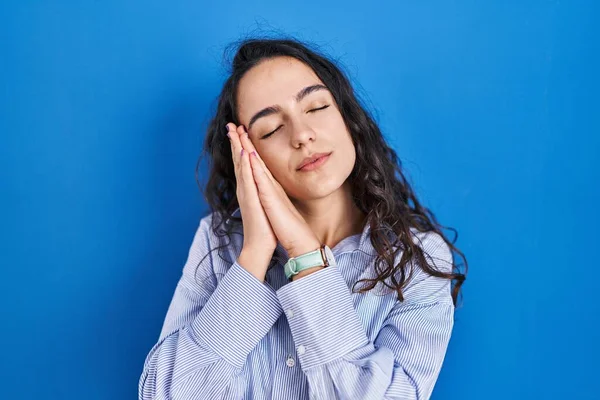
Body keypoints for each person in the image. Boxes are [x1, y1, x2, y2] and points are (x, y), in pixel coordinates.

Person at [138, 37, 468, 400]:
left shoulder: (416, 258)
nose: (302, 135)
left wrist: (305, 255)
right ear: (247, 155)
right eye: (271, 129)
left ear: (348, 117)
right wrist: (254, 255)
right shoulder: (220, 243)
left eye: (316, 107)